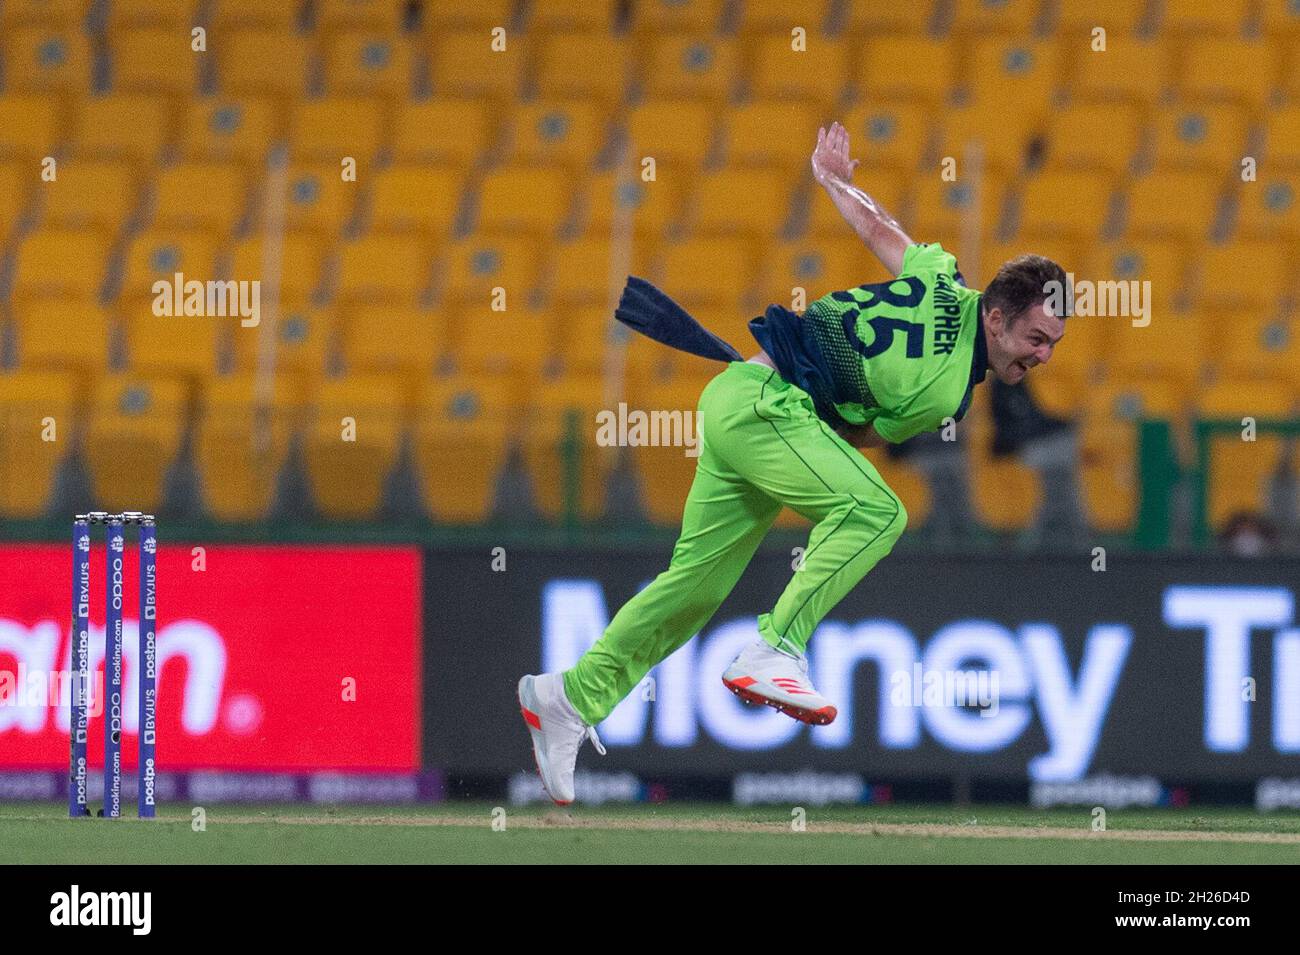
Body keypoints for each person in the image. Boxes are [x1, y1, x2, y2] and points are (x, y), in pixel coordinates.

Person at [519, 121, 1068, 805]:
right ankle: (775, 647)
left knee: (691, 587)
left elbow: (880, 228)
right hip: (766, 410)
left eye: (1052, 343)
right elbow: (852, 433)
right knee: (877, 510)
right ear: (994, 318)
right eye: (1036, 338)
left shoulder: (943, 275)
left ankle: (569, 698)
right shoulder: (939, 390)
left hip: (735, 397)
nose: (1042, 356)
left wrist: (835, 180)